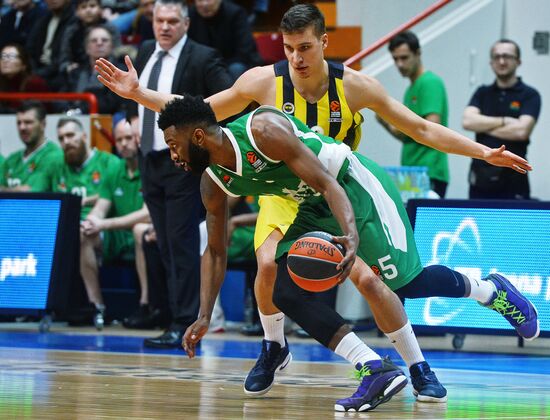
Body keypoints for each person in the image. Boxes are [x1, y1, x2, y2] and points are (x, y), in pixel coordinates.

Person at [94, 3, 534, 403]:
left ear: (324, 42)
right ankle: (276, 348)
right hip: (285, 191)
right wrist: (138, 95)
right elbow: (197, 114)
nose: (297, 58)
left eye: (305, 47)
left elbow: (421, 129)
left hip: (339, 182)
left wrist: (483, 152)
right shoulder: (260, 84)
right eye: (289, 49)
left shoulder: (355, 86)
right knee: (271, 270)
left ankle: (474, 306)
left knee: (386, 282)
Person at [158, 95, 536, 412]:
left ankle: (489, 291)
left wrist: (352, 236)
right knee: (284, 291)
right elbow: (216, 252)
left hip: (351, 185)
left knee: (405, 282)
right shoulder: (212, 180)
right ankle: (373, 367)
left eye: (174, 146)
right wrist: (204, 314)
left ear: (197, 136)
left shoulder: (262, 131)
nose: (173, 156)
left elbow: (326, 181)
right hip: (311, 204)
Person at [124, 0, 232, 348]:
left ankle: (185, 322)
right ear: (152, 22)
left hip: (182, 164)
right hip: (149, 160)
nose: (165, 26)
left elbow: (228, 101)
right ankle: (170, 313)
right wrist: (130, 117)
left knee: (181, 243)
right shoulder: (143, 51)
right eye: (159, 20)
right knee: (165, 244)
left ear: (186, 23)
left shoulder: (203, 57)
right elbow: (135, 92)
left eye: (173, 21)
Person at [79, 119, 151, 327]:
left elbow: (147, 213)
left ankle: (145, 305)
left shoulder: (150, 167)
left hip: (145, 233)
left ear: (138, 138)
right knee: (84, 234)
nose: (124, 144)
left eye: (128, 138)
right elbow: (101, 207)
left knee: (140, 230)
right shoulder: (114, 169)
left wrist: (104, 224)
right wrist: (91, 221)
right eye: (119, 139)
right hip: (116, 237)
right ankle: (96, 307)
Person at [462, 39, 541, 199]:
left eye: (507, 56)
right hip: (480, 179)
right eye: (496, 57)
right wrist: (505, 121)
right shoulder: (482, 93)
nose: (501, 61)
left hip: (514, 178)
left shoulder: (530, 94)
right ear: (491, 63)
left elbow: (521, 131)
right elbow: (468, 122)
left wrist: (483, 125)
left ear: (518, 61)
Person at [379, 30, 449, 198]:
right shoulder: (412, 88)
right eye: (395, 59)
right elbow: (405, 134)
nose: (400, 64)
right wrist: (384, 120)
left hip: (428, 171)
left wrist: (385, 117)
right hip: (412, 173)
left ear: (418, 53)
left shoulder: (429, 82)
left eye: (404, 58)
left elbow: (432, 127)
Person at [188, 0, 263, 81]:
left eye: (208, 0)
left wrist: (218, 67)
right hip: (203, 64)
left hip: (231, 62)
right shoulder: (189, 15)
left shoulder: (236, 13)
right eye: (200, 0)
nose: (204, 4)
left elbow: (245, 50)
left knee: (236, 69)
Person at [61, 25, 125, 115]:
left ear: (112, 46)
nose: (99, 43)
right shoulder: (76, 72)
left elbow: (113, 103)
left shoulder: (121, 71)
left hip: (108, 117)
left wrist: (81, 110)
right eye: (94, 40)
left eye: (104, 40)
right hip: (73, 116)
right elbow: (63, 97)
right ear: (87, 48)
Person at [0, 101, 63, 192]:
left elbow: (30, 192)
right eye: (19, 123)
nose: (22, 127)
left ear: (43, 124)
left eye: (28, 122)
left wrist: (4, 191)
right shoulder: (12, 159)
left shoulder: (54, 156)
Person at [59, 0, 121, 76]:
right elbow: (64, 58)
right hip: (77, 73)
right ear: (77, 12)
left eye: (92, 6)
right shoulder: (72, 31)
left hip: (107, 69)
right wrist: (68, 67)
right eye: (83, 7)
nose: (88, 10)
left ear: (100, 9)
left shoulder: (110, 29)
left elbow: (118, 52)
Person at [25, 0, 77, 91]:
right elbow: (30, 48)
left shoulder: (74, 19)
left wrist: (39, 73)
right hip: (40, 69)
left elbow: (65, 54)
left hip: (61, 73)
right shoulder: (43, 19)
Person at [0, 44, 49, 114]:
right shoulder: (2, 84)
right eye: (2, 57)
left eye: (11, 57)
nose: (5, 60)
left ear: (24, 65)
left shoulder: (35, 84)